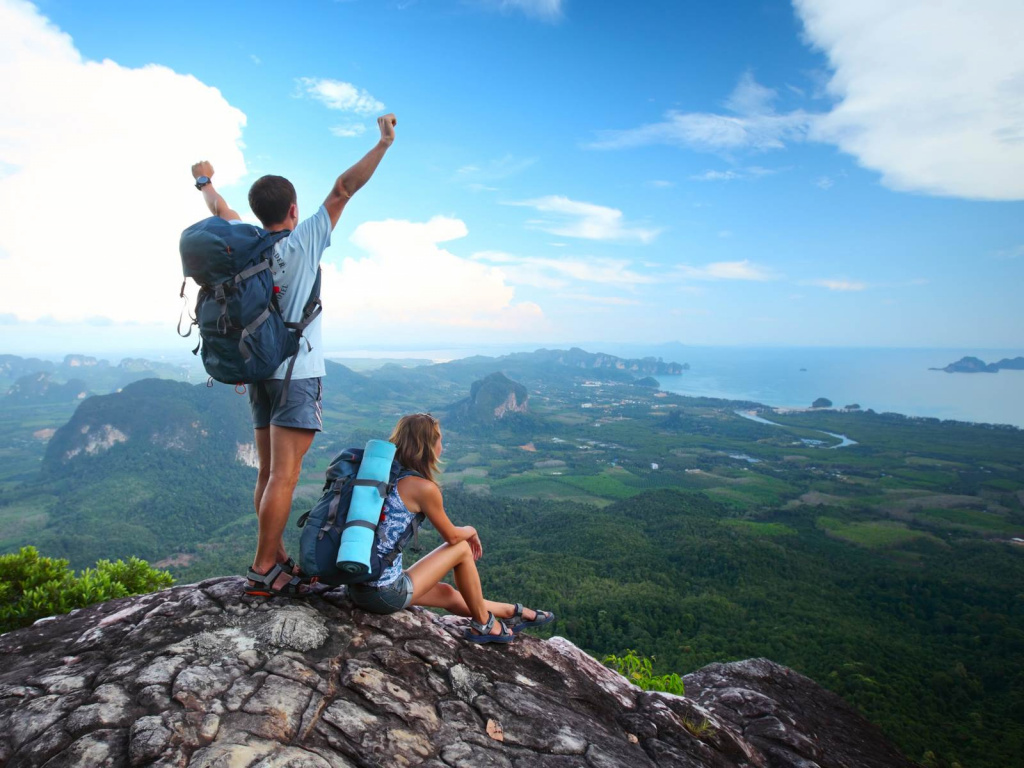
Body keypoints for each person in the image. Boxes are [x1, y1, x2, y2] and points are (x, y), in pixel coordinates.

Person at [190, 114, 399, 597]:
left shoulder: (247, 246)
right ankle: (264, 567)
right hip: (296, 375)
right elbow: (344, 188)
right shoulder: (303, 241)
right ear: (293, 207)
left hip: (258, 371)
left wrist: (205, 182)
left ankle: (275, 553)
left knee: (267, 473)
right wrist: (383, 143)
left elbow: (220, 211)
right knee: (285, 475)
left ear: (257, 211)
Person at [349, 413, 555, 643]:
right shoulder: (422, 487)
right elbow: (453, 536)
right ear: (427, 446)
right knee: (462, 549)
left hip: (359, 585)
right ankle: (484, 624)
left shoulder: (381, 475)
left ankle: (512, 612)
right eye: (440, 441)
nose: (442, 448)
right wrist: (471, 529)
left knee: (447, 593)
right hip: (382, 593)